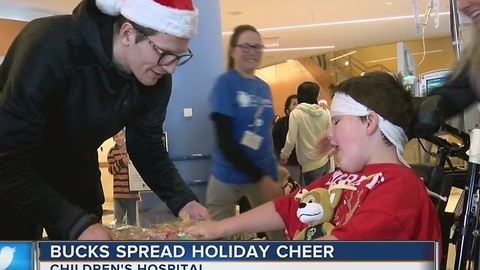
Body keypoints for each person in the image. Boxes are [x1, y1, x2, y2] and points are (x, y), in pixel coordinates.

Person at [0, 0, 209, 240]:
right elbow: (6, 155)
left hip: (76, 168)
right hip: (12, 171)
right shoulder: (49, 45)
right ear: (128, 33)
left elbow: (147, 147)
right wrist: (74, 224)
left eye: (179, 56)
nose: (171, 69)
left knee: (89, 253)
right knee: (16, 252)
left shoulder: (155, 76)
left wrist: (183, 201)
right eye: (165, 54)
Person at [186, 72, 442, 243]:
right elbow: (287, 206)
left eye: (337, 122)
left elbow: (338, 251)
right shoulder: (345, 176)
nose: (328, 134)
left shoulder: (400, 188)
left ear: (370, 122)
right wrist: (220, 227)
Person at [206, 24, 284, 240]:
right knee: (217, 237)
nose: (253, 52)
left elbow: (264, 134)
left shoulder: (264, 87)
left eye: (257, 47)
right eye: (246, 46)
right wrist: (261, 178)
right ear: (232, 51)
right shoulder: (225, 84)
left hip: (264, 173)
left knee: (279, 232)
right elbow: (225, 142)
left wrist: (273, 170)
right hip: (228, 174)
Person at [279, 82, 331, 185]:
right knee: (325, 194)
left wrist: (284, 156)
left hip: (310, 165)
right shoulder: (324, 112)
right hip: (325, 161)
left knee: (313, 197)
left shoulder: (296, 114)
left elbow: (291, 140)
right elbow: (329, 135)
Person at [107, 130, 139, 226]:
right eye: (116, 136)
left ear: (124, 135)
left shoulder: (132, 148)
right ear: (113, 138)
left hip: (132, 193)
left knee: (132, 223)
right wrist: (121, 162)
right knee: (118, 223)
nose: (119, 138)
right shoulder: (111, 152)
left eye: (121, 135)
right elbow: (111, 170)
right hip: (119, 194)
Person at [271, 95, 301, 182]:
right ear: (287, 109)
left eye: (299, 103)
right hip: (288, 164)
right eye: (294, 104)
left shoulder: (304, 121)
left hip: (304, 163)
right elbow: (275, 141)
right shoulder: (280, 123)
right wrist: (282, 156)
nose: (298, 106)